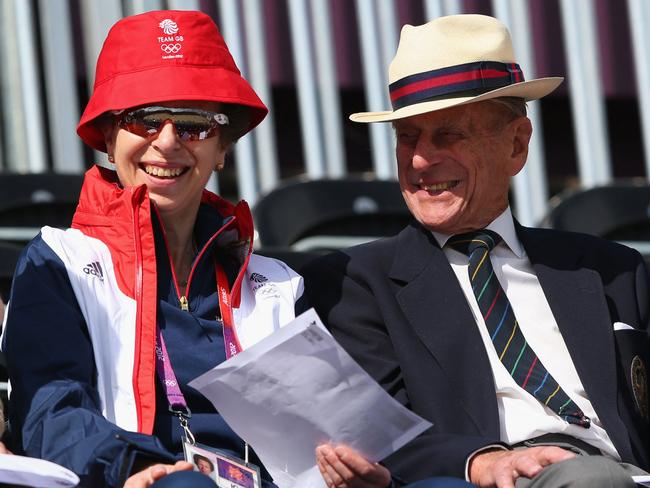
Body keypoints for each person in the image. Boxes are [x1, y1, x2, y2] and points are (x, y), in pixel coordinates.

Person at [303, 14, 650, 488]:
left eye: (448, 134)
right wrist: (483, 461)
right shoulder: (353, 281)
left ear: (517, 145)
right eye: (407, 137)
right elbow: (376, 432)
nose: (421, 159)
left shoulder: (612, 268)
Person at [2, 10, 303, 488]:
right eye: (143, 119)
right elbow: (51, 412)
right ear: (107, 136)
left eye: (194, 124)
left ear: (222, 147)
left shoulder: (280, 285)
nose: (166, 142)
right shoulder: (59, 262)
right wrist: (132, 465)